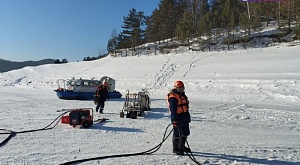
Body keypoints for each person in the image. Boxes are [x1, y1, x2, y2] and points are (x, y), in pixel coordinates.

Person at [167, 80, 191, 155]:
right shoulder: (173, 97)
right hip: (177, 118)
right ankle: (176, 148)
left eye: (182, 88)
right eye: (180, 88)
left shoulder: (182, 95)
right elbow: (173, 110)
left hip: (184, 117)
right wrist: (174, 120)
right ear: (176, 88)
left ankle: (182, 147)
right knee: (177, 133)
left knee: (185, 132)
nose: (181, 90)